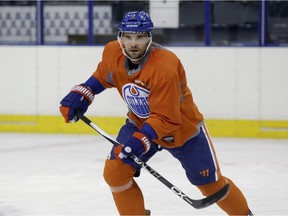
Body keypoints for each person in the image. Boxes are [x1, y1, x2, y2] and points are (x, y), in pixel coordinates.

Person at [59, 11, 253, 216]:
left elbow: (166, 118)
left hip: (181, 130)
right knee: (116, 173)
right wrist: (83, 93)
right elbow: (103, 76)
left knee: (210, 186)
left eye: (140, 37)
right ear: (120, 37)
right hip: (139, 124)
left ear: (150, 38)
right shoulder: (112, 52)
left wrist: (137, 142)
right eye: (128, 36)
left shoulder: (164, 66)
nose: (133, 43)